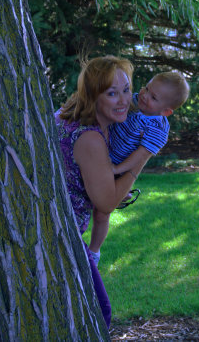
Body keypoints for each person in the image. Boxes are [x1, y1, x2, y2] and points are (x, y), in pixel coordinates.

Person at [55, 55, 150, 329]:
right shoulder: (90, 137)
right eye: (112, 93)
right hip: (61, 237)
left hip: (57, 229)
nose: (123, 100)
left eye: (126, 89)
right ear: (93, 94)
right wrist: (144, 154)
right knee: (99, 313)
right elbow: (106, 203)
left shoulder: (66, 115)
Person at [89, 72, 190, 266]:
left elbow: (140, 156)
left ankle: (94, 251)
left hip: (118, 168)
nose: (144, 95)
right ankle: (120, 195)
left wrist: (117, 169)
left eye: (153, 97)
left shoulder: (158, 129)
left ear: (166, 111)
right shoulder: (134, 101)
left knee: (102, 213)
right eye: (146, 88)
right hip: (99, 151)